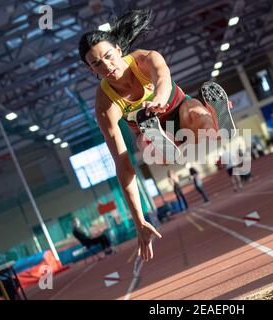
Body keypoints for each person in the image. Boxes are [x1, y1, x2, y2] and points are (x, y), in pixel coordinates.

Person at [78, 9, 236, 261]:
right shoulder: (105, 105)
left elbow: (162, 78)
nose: (107, 66)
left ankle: (216, 119)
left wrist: (159, 101)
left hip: (177, 109)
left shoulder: (146, 59)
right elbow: (123, 165)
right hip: (155, 131)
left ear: (119, 50)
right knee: (147, 146)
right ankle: (162, 137)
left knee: (197, 116)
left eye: (108, 56)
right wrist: (139, 221)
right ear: (90, 70)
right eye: (97, 64)